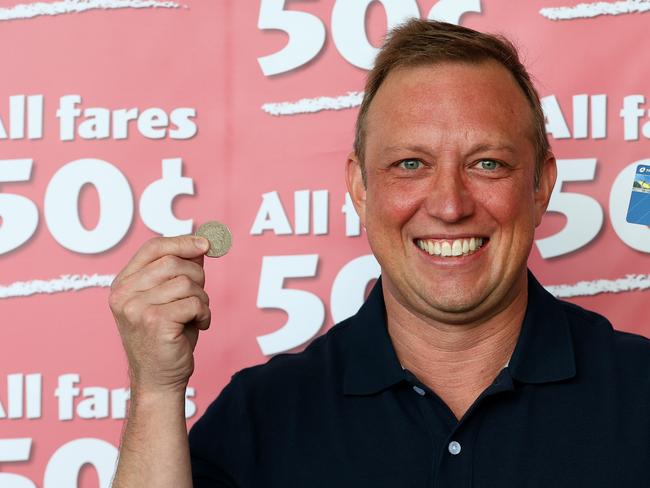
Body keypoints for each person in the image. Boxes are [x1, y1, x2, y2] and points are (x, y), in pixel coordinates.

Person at [110, 19, 650, 487]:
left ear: (540, 186)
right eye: (410, 164)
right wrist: (156, 392)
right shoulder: (263, 413)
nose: (449, 204)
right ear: (361, 188)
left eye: (487, 163)